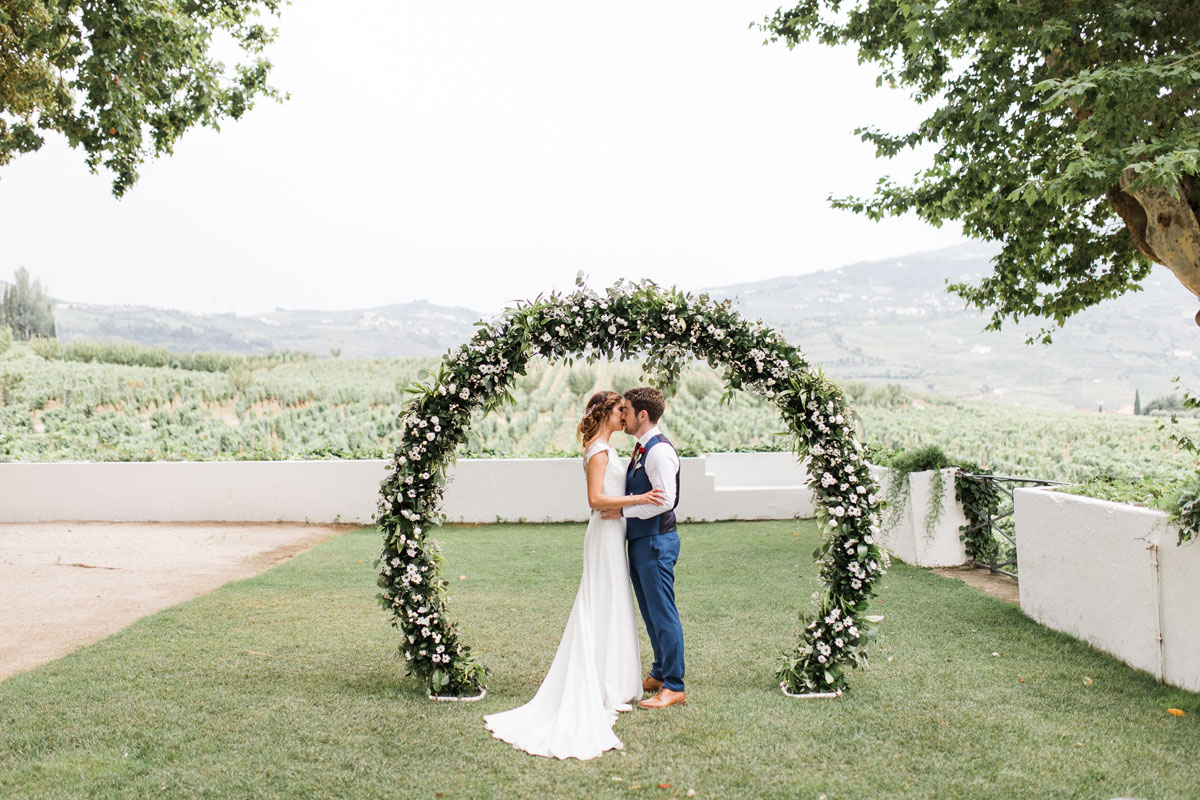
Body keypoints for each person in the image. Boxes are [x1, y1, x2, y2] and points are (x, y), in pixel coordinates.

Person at [484, 391, 667, 760]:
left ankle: (612, 681)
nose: (624, 416)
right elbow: (595, 500)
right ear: (606, 414)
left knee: (614, 601)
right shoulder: (598, 451)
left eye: (626, 411)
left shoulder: (608, 447)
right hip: (603, 532)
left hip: (615, 532)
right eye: (620, 411)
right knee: (601, 598)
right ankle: (601, 683)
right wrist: (639, 500)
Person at [602, 386, 686, 709]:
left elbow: (665, 500)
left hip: (656, 540)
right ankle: (661, 672)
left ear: (642, 415)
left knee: (663, 612)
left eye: (625, 410)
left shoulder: (659, 452)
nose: (621, 415)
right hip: (640, 540)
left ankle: (675, 685)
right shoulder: (641, 449)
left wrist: (623, 511)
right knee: (650, 612)